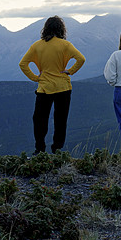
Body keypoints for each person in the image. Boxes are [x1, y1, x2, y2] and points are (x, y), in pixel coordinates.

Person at [19, 16, 85, 154]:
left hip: (44, 88)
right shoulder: (65, 45)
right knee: (60, 120)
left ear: (46, 29)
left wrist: (36, 78)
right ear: (61, 29)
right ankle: (57, 150)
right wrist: (70, 71)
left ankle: (39, 149)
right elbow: (81, 59)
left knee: (39, 119)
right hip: (63, 87)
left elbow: (23, 64)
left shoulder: (37, 45)